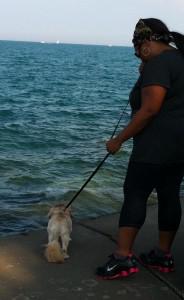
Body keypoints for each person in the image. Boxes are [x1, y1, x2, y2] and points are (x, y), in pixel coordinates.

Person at [96, 18, 184, 280]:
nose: (134, 51)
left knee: (135, 194)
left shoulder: (159, 64)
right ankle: (163, 255)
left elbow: (149, 110)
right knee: (169, 195)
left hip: (154, 147)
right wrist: (146, 69)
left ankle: (123, 258)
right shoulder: (178, 59)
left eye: (136, 45)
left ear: (146, 42)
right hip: (179, 147)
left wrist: (118, 140)